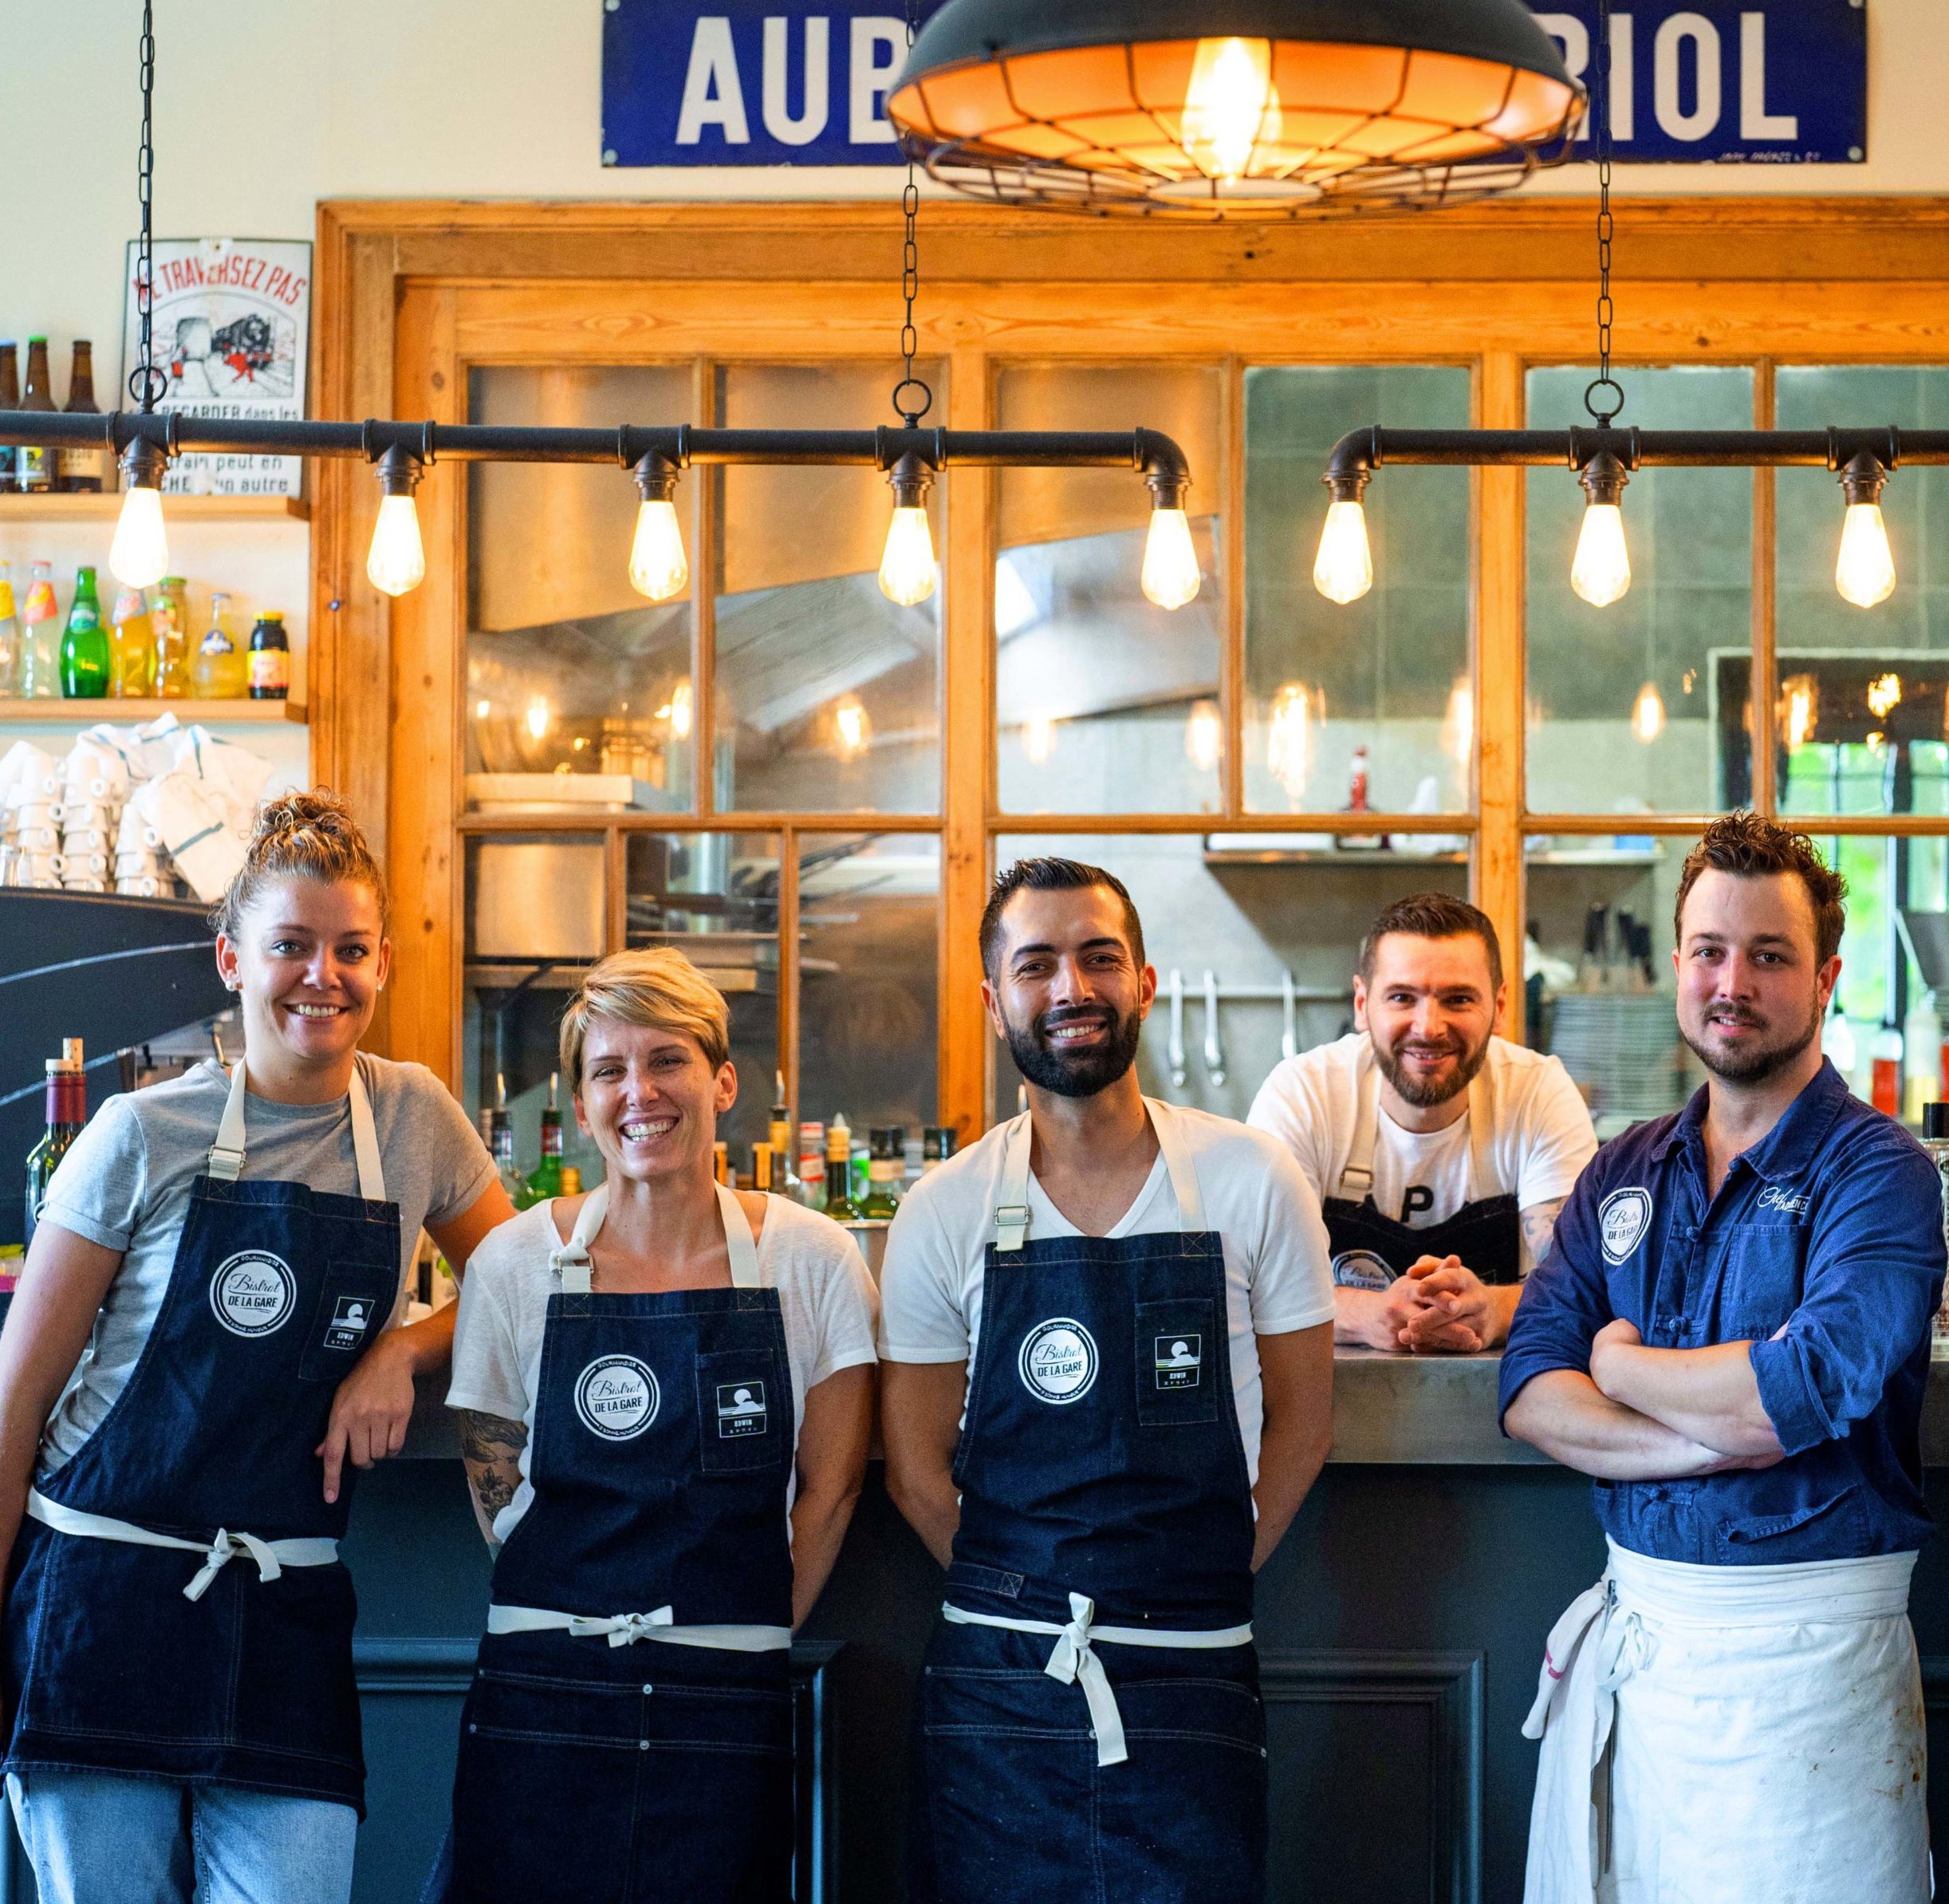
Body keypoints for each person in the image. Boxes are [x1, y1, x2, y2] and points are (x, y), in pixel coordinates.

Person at [0, 792, 514, 1904]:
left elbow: (520, 1282)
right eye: (290, 944)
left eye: (350, 948)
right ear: (234, 957)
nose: (320, 975)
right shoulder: (138, 1133)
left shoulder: (415, 1115)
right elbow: (17, 1396)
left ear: (381, 965)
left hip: (287, 1606)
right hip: (104, 1594)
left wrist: (406, 1351)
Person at [1501, 813, 1941, 1904]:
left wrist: (1626, 1364)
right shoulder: (1624, 1166)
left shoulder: (1879, 1171)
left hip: (1815, 1684)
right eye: (1709, 949)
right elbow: (1532, 1393)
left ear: (1826, 974)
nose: (1730, 979)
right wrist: (1706, 1430)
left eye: (1769, 953)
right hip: (1644, 1664)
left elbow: (1796, 1393)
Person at [880, 857, 1337, 1904]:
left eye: (1099, 956)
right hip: (1000, 1686)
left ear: (1145, 979)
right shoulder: (945, 1209)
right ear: (996, 1002)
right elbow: (912, 1468)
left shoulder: (1249, 1177)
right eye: (1037, 964)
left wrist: (1196, 1578)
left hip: (1195, 1665)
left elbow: (1306, 1421)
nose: (1072, 987)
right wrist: (1028, 1605)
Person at [427, 949, 878, 1904]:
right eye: (608, 1069)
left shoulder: (812, 1257)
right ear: (581, 1101)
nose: (640, 1091)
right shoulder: (515, 1260)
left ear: (722, 1080)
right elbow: (493, 1485)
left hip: (726, 1699)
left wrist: (735, 1635)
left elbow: (831, 1489)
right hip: (543, 1691)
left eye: (666, 1059)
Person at [1250, 893, 1596, 1354]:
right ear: (1361, 1003)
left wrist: (1496, 1309)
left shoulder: (1538, 1092)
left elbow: (1583, 1284)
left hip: (1498, 1404)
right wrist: (1366, 1314)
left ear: (1500, 1005)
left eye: (1457, 999)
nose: (1428, 1027)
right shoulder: (1303, 1094)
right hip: (1332, 1400)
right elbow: (1254, 1283)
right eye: (1401, 997)